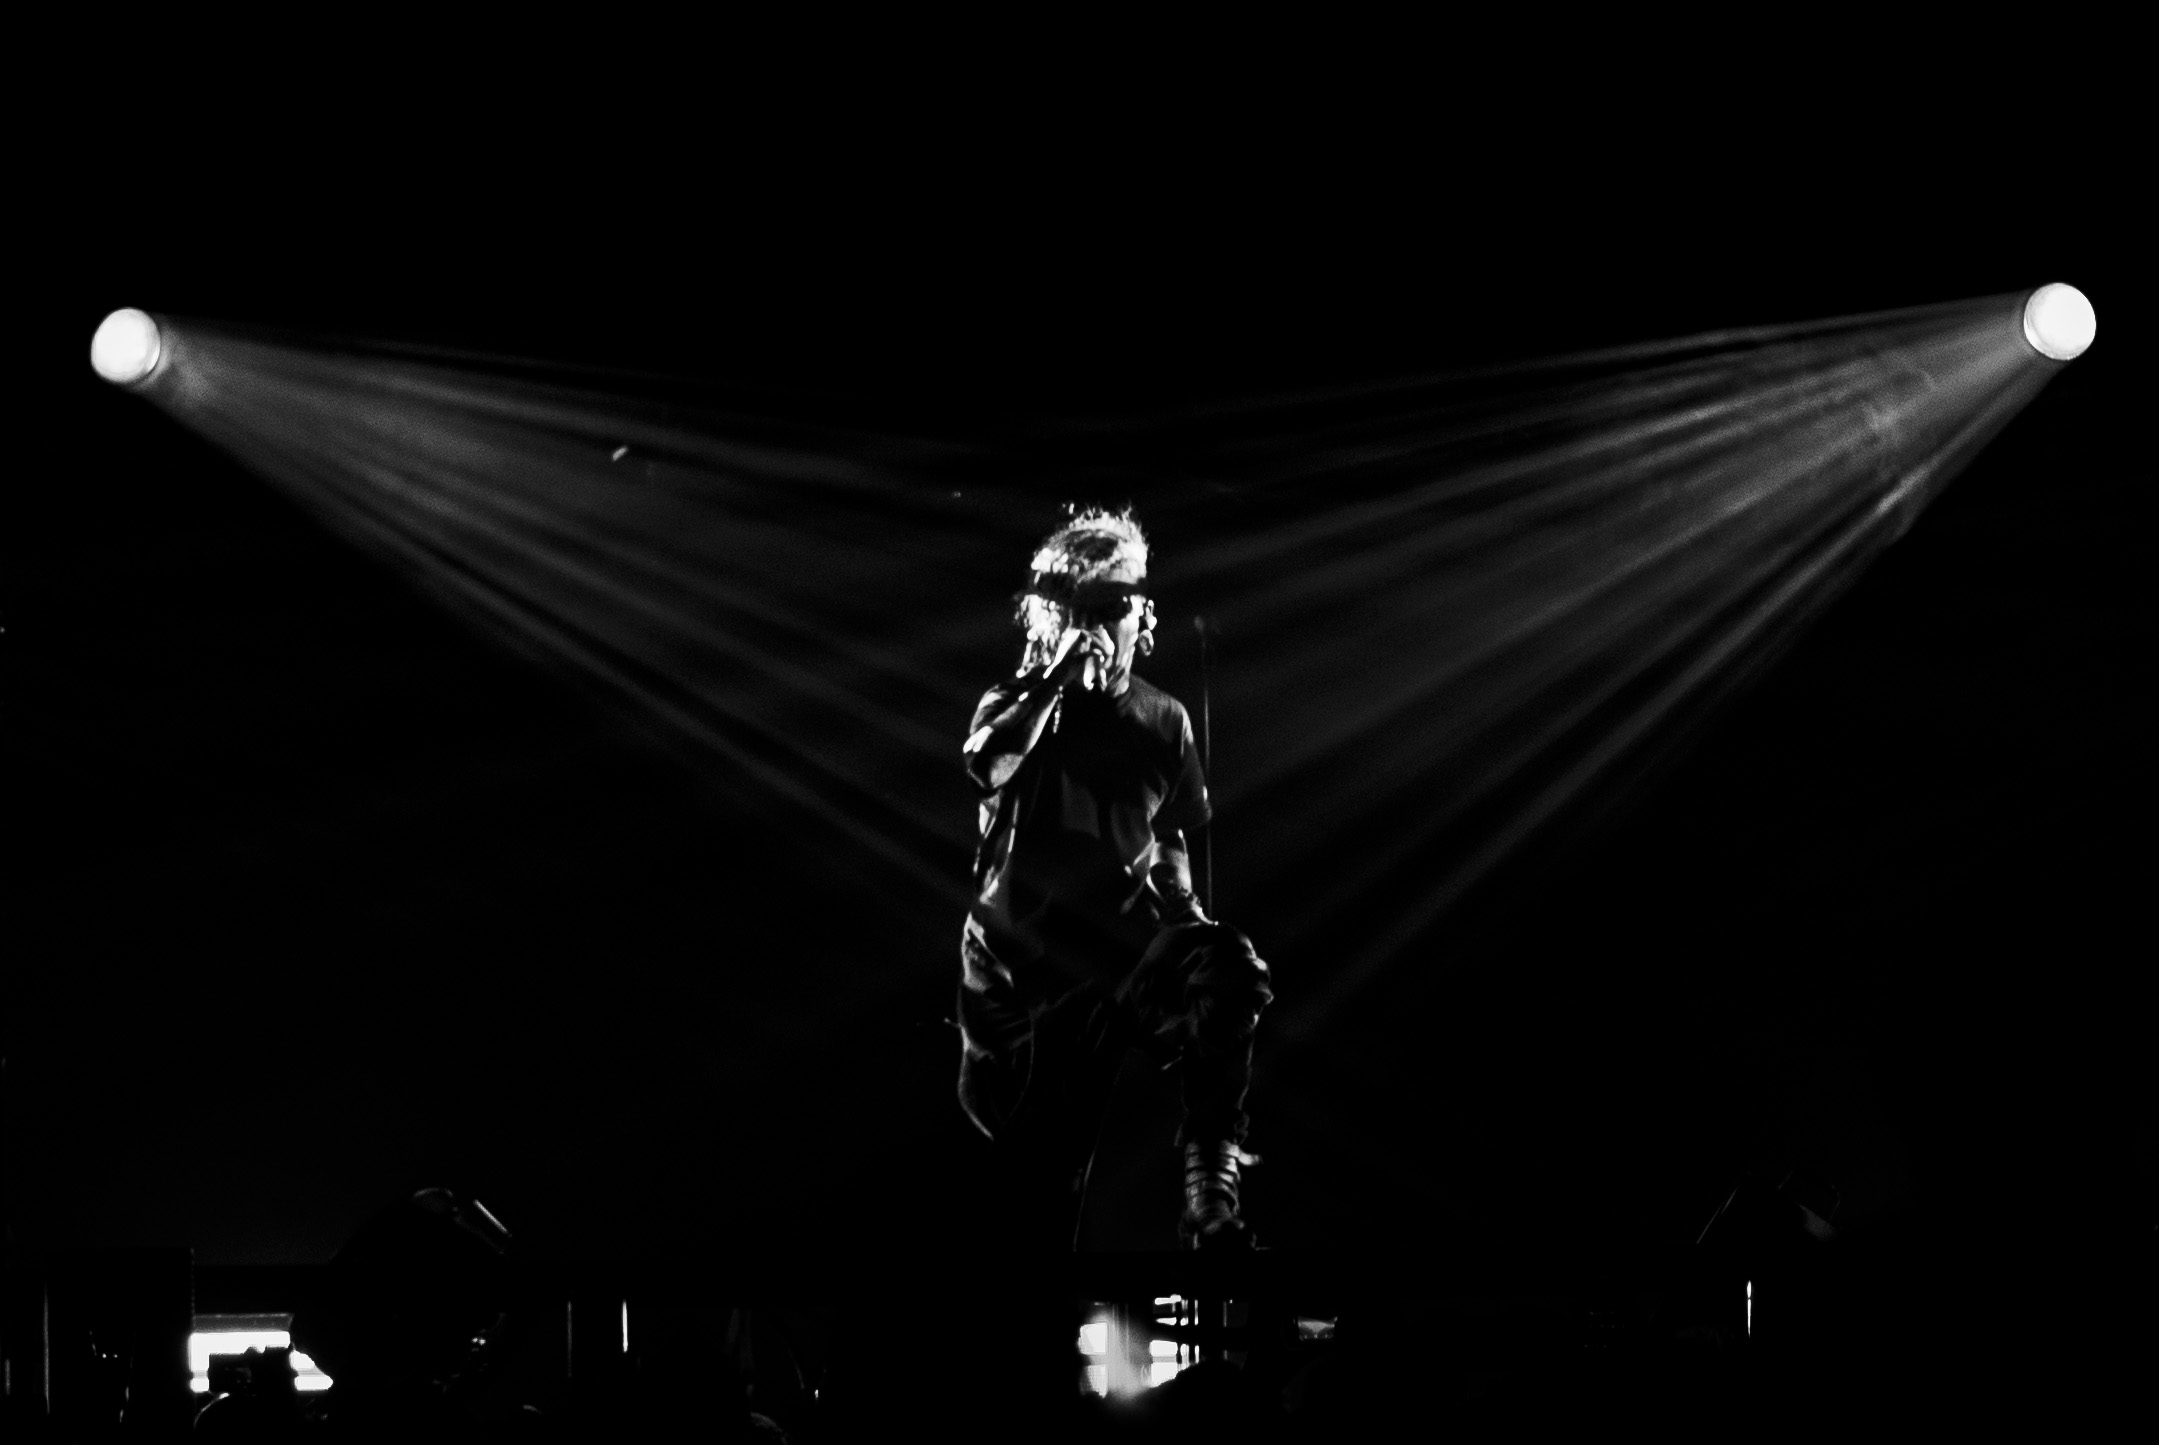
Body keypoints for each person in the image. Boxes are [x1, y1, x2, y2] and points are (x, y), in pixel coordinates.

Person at [956, 506, 1273, 1250]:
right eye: (1078, 611)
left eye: (1112, 608)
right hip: (1021, 978)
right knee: (1043, 1188)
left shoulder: (1164, 719)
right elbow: (986, 763)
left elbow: (1168, 833)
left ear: (1142, 615)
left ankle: (1209, 1184)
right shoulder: (1016, 703)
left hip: (1123, 961)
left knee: (1228, 965)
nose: (1096, 627)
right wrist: (1059, 675)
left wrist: (1185, 912)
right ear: (1048, 618)